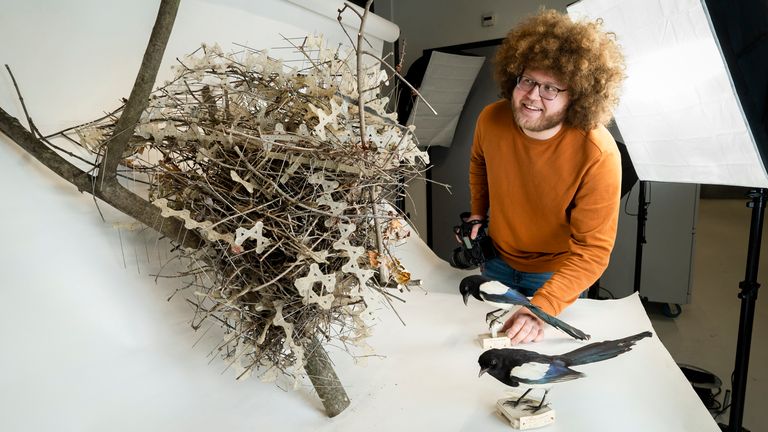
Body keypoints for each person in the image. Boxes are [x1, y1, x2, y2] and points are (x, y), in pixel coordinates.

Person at [466, 9, 626, 345]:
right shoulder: (491, 119)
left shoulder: (598, 154)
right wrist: (479, 214)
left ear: (577, 97)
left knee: (540, 370)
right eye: (528, 80)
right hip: (496, 260)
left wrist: (541, 308)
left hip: (555, 276)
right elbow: (479, 163)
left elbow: (592, 253)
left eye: (551, 88)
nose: (532, 96)